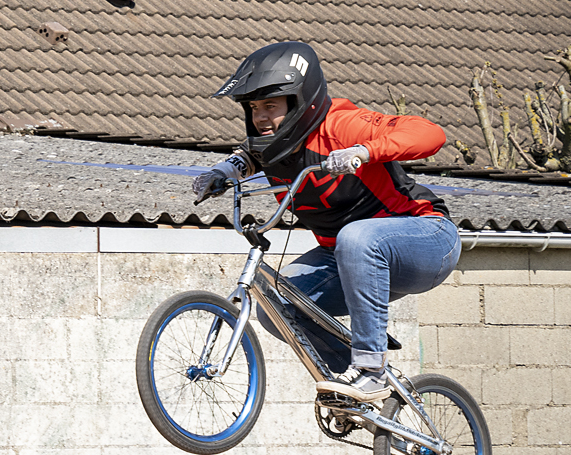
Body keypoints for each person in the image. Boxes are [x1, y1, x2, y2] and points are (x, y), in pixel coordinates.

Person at [191, 41, 462, 405]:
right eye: (254, 108)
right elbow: (250, 157)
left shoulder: (342, 125)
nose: (260, 117)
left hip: (427, 239)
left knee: (356, 236)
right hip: (348, 258)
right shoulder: (272, 146)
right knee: (276, 308)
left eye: (270, 106)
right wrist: (223, 172)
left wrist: (363, 152)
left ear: (300, 100)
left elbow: (431, 134)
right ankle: (353, 384)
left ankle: (371, 369)